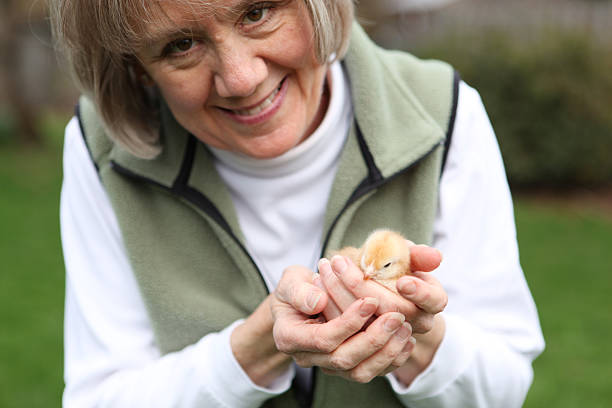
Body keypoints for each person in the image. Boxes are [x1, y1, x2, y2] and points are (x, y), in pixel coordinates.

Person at [52, 0, 544, 407]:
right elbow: (100, 397)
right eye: (180, 45)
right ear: (136, 68)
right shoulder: (100, 151)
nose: (241, 79)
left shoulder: (441, 111)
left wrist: (418, 337)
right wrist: (255, 347)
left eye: (257, 12)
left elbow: (502, 386)